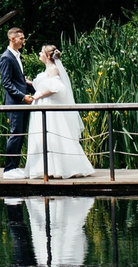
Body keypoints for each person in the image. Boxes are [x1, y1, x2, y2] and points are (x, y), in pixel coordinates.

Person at [17, 44, 96, 179]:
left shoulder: (53, 69)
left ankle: (59, 168)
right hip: (41, 105)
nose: (39, 54)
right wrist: (29, 83)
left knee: (53, 134)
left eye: (41, 52)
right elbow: (44, 84)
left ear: (47, 56)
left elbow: (56, 88)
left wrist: (38, 96)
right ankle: (45, 168)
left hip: (49, 106)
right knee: (43, 136)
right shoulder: (48, 68)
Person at [0, 26, 34, 171]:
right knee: (15, 134)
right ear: (12, 38)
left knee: (20, 134)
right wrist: (23, 96)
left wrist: (36, 88)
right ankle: (9, 168)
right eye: (21, 38)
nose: (23, 41)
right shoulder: (6, 57)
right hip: (15, 103)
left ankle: (15, 166)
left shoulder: (17, 56)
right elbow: (6, 83)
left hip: (22, 102)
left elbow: (19, 80)